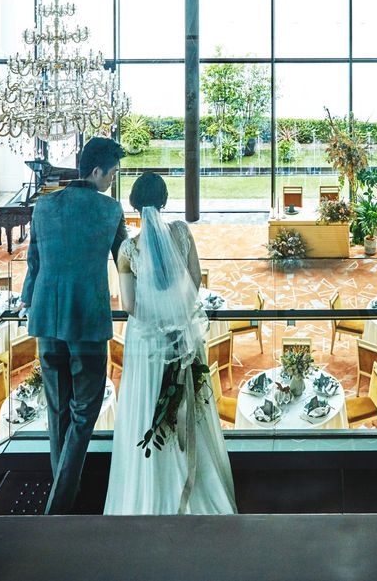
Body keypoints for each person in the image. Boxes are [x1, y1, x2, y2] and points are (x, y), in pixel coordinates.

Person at [104, 173, 236, 515]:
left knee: (146, 407)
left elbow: (130, 306)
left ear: (134, 203)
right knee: (191, 410)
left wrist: (158, 322)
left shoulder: (128, 250)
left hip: (147, 346)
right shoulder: (181, 233)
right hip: (183, 338)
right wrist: (175, 319)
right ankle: (197, 488)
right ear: (164, 201)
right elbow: (194, 282)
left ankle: (148, 492)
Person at [21, 137, 127, 515]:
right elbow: (127, 261)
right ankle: (60, 504)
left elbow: (33, 263)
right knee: (84, 413)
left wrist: (26, 301)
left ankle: (64, 492)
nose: (112, 181)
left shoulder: (44, 206)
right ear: (96, 171)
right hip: (87, 323)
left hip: (46, 321)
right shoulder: (110, 210)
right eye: (112, 174)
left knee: (58, 411)